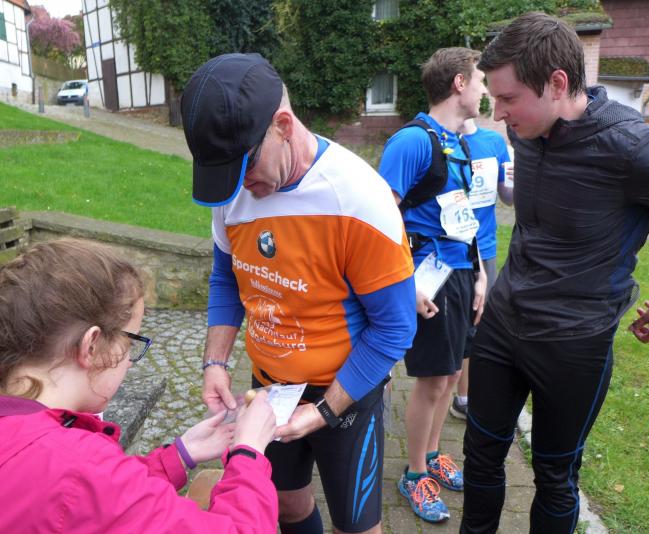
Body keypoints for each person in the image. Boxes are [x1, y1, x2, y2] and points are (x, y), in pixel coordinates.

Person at [462, 12, 649, 534]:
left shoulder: (633, 148)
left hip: (573, 344)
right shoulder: (530, 129)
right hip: (502, 324)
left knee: (554, 477)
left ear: (557, 83)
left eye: (507, 99)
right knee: (480, 454)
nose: (498, 114)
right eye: (494, 99)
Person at [181, 53, 417, 534]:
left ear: (283, 126)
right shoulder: (236, 192)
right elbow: (227, 277)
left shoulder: (359, 198)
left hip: (345, 391)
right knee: (285, 505)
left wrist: (325, 410)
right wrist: (215, 362)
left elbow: (395, 326)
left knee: (356, 526)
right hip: (270, 388)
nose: (239, 186)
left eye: (244, 166)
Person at [0, 238, 279, 533]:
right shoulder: (74, 467)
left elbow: (84, 502)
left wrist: (180, 455)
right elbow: (80, 486)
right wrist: (248, 454)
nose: (129, 360)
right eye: (131, 340)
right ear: (92, 346)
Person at [377, 47, 488, 523]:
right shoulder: (412, 141)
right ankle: (415, 473)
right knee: (432, 380)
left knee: (451, 375)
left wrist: (480, 273)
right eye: (480, 80)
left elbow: (464, 216)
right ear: (459, 83)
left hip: (461, 274)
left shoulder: (458, 142)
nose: (485, 90)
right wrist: (403, 283)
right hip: (427, 278)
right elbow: (377, 220)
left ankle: (434, 451)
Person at [450, 118, 513, 420]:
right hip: (451, 248)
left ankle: (466, 397)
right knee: (458, 325)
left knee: (480, 322)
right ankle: (457, 394)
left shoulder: (494, 142)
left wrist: (518, 176)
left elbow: (508, 198)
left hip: (484, 248)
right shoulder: (441, 140)